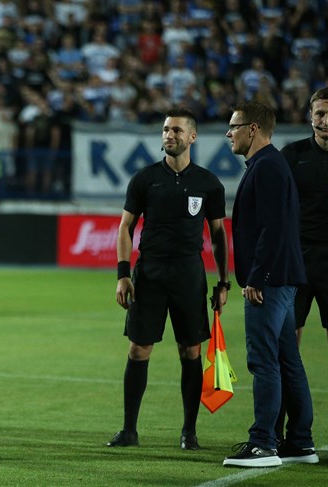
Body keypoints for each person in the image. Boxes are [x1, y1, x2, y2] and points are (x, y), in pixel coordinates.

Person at [109, 107, 229, 451]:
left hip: (189, 274)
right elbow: (125, 227)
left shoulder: (208, 182)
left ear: (192, 137)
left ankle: (189, 431)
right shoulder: (145, 179)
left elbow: (219, 236)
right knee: (138, 348)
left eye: (176, 130)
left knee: (190, 351)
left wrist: (223, 282)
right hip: (149, 272)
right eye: (165, 130)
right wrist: (122, 274)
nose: (168, 135)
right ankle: (129, 430)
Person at [223, 101, 316, 467]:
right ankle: (300, 442)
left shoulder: (267, 167)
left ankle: (263, 442)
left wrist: (257, 276)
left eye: (234, 126)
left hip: (272, 280)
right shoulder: (269, 165)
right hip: (283, 277)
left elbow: (273, 228)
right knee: (286, 359)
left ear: (253, 129)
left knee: (263, 360)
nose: (229, 133)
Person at [280, 87, 328, 460]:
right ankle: (285, 433)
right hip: (297, 259)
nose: (325, 120)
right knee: (286, 343)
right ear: (310, 115)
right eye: (320, 113)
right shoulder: (292, 156)